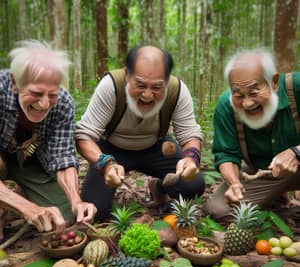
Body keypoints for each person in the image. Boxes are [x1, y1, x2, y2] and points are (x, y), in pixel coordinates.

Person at [76, 45, 205, 220]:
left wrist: (191, 158)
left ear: (167, 81)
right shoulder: (111, 86)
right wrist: (105, 164)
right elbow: (84, 136)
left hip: (154, 147)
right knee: (95, 209)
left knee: (193, 185)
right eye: (140, 85)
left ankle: (159, 187)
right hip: (112, 150)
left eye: (157, 87)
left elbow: (189, 134)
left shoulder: (177, 91)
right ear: (127, 75)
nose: (147, 95)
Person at [0, 40, 97, 241]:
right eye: (35, 93)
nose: (44, 104)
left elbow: (62, 156)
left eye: (51, 95)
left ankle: (23, 191)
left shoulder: (62, 103)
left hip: (30, 162)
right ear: (14, 83)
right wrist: (28, 208)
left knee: (65, 217)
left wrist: (76, 201)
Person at [204, 48, 300, 219]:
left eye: (254, 93)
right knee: (221, 210)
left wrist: (296, 152)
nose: (247, 103)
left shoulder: (296, 88)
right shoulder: (226, 107)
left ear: (274, 82)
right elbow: (226, 154)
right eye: (239, 95)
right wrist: (234, 183)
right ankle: (278, 203)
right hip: (262, 172)